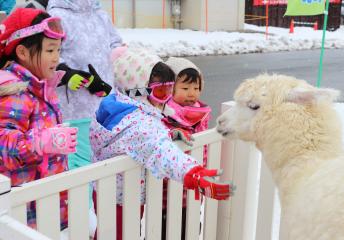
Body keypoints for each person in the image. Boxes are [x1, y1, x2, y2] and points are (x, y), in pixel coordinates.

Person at [90, 46, 234, 240]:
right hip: (125, 197)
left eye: (169, 89)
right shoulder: (140, 124)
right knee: (121, 234)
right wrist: (193, 173)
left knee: (109, 232)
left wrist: (168, 132)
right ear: (137, 90)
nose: (165, 99)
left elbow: (140, 139)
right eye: (160, 91)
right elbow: (159, 149)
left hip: (107, 188)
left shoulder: (116, 105)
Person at [47, 0, 122, 234]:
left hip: (104, 106)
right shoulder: (57, 14)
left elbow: (115, 44)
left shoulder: (100, 14)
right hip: (73, 110)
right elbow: (47, 54)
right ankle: (80, 225)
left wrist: (119, 65)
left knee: (106, 165)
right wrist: (67, 74)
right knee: (80, 170)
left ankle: (102, 223)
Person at [0, 8, 78, 229]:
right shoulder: (14, 91)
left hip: (47, 204)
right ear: (23, 52)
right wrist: (39, 142)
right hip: (24, 215)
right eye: (50, 50)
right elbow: (2, 143)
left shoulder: (41, 88)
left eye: (58, 50)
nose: (56, 58)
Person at [162, 57, 211, 239]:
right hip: (168, 189)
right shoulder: (165, 112)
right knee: (165, 229)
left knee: (190, 227)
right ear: (170, 88)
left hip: (194, 185)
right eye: (185, 88)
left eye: (196, 88)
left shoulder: (200, 113)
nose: (192, 94)